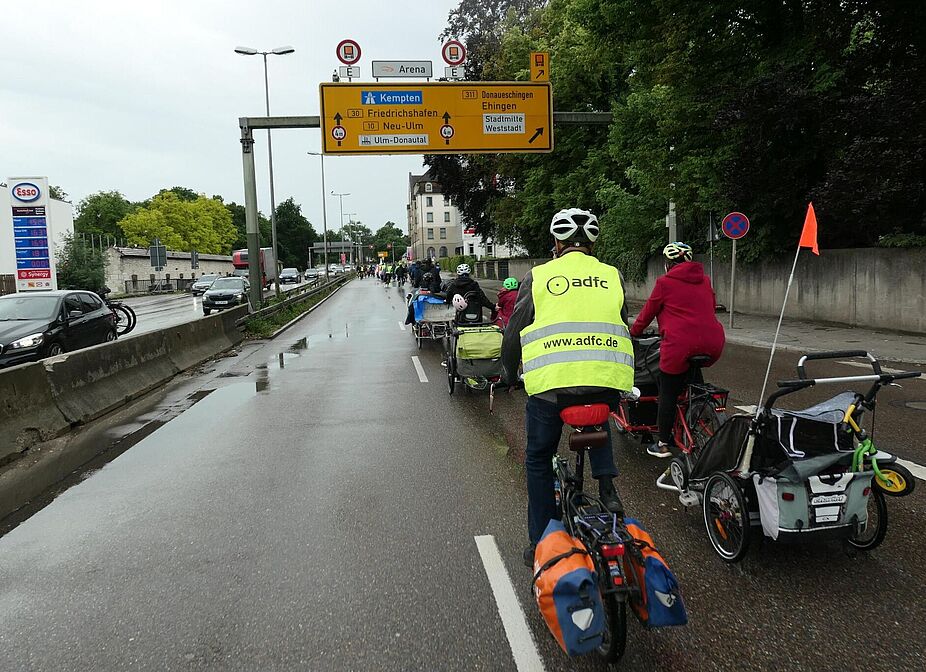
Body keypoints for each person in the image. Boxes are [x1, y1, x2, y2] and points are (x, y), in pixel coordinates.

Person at [502, 208, 633, 567]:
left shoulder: (538, 276)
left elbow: (515, 330)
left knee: (538, 458)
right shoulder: (612, 275)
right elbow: (622, 323)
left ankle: (540, 542)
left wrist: (509, 372)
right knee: (598, 405)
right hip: (605, 382)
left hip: (551, 389)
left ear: (557, 242)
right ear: (592, 243)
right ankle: (607, 487)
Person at [629, 242, 725, 458]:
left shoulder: (665, 282)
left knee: (668, 392)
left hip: (680, 344)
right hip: (713, 342)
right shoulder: (705, 280)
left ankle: (662, 443)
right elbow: (710, 306)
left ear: (668, 264)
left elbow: (648, 312)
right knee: (694, 381)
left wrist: (633, 332)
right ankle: (701, 412)